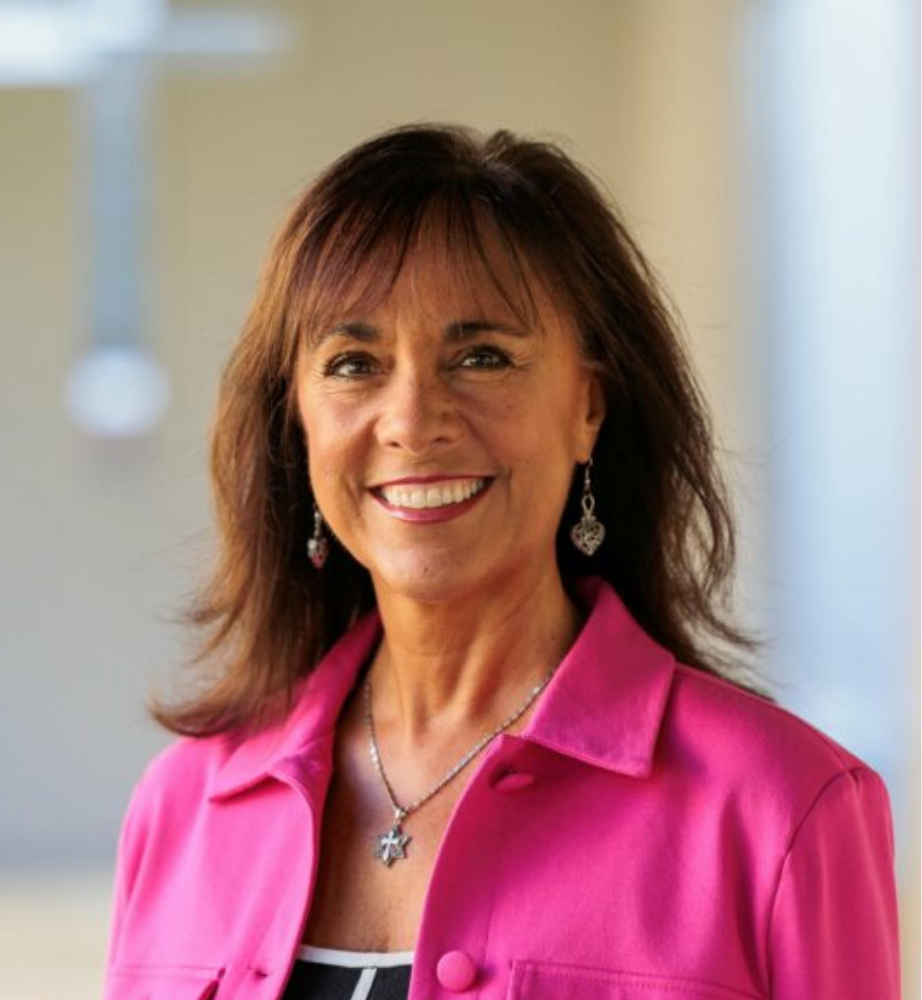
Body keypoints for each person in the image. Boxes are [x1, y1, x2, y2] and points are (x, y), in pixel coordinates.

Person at [103, 125, 900, 1000]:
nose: (413, 419)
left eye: (482, 357)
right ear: (296, 420)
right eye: (354, 364)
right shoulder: (181, 807)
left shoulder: (781, 808)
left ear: (589, 404)